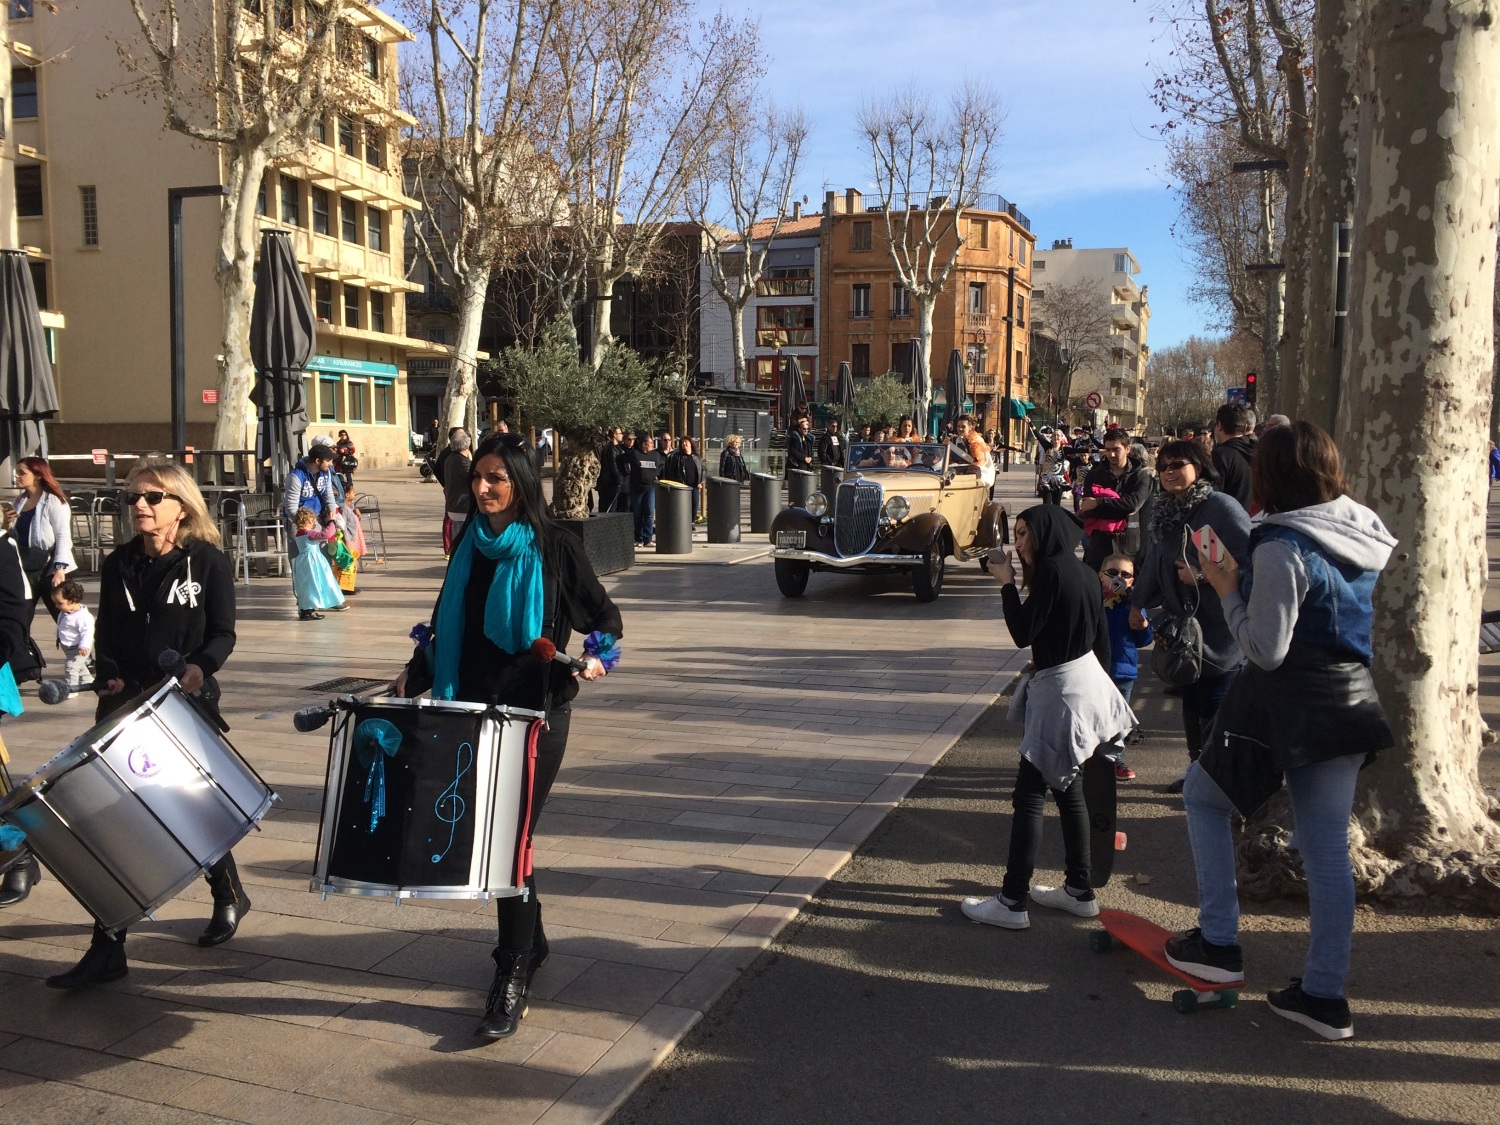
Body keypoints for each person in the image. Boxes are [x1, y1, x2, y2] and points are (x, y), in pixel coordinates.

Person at [1167, 421, 1395, 1041]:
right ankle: (1324, 995)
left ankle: (1218, 942)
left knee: (1201, 796)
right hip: (1350, 702)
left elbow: (1265, 649)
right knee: (1326, 853)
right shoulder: (1361, 529)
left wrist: (1226, 590)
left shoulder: (1281, 545)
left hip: (1285, 705)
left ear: (1270, 477)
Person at [395, 433, 623, 1040]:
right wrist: (413, 674)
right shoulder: (467, 543)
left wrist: (599, 656)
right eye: (477, 477)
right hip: (469, 711)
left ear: (521, 482)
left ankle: (511, 971)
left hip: (535, 716)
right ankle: (534, 937)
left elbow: (603, 617)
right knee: (495, 836)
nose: (484, 488)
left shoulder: (555, 547)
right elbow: (447, 623)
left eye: (496, 477)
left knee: (507, 840)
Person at [46, 458, 246, 989]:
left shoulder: (206, 562)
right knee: (111, 820)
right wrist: (107, 674)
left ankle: (227, 893)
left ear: (181, 506)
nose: (140, 505)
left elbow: (223, 633)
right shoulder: (117, 566)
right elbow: (107, 636)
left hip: (183, 700)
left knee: (190, 807)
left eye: (153, 497)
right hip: (125, 706)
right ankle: (108, 946)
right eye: (134, 497)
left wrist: (201, 668)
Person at [961, 505, 1132, 930]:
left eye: (1024, 534)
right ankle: (1079, 889)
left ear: (1045, 534)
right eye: (1016, 534)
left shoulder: (1054, 573)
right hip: (1085, 686)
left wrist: (1006, 585)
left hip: (1060, 693)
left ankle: (1012, 900)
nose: (1019, 543)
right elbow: (1101, 640)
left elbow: (1023, 633)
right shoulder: (1083, 571)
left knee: (1030, 795)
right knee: (1068, 790)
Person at [1130, 440, 1252, 793]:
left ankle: (1215, 778)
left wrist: (1202, 576)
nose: (1168, 473)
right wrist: (1138, 603)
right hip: (1184, 626)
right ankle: (1197, 770)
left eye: (1177, 464)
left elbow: (1248, 564)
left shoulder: (1220, 508)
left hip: (1222, 626)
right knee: (1192, 698)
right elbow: (1155, 559)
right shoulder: (1167, 508)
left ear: (1198, 466)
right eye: (1163, 466)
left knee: (1216, 703)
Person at [1099, 554, 1151, 780]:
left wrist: (1144, 625)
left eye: (1125, 575)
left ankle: (1115, 760)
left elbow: (1143, 641)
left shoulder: (1133, 605)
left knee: (1119, 720)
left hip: (1123, 672)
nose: (1118, 578)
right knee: (1094, 717)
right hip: (1096, 671)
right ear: (1101, 575)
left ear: (1132, 582)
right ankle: (1089, 760)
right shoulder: (1095, 601)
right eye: (1112, 573)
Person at [12, 456, 75, 623]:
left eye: (21, 472)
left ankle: (79, 649)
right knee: (19, 618)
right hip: (26, 567)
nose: (16, 476)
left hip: (49, 568)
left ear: (38, 475)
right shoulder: (18, 501)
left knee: (64, 617)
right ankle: (22, 648)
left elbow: (63, 536)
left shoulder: (54, 501)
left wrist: (60, 568)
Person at [1079, 430, 1152, 570]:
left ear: (1127, 449)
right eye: (1108, 450)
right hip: (1099, 545)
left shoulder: (1141, 476)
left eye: (1116, 450)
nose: (1111, 454)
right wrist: (1119, 506)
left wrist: (1099, 502)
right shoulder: (1094, 475)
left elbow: (1133, 504)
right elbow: (1088, 509)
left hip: (1129, 547)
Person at [282, 443, 343, 545]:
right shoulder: (295, 477)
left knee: (321, 556)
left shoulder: (325, 472)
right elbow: (291, 507)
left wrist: (333, 515)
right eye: (328, 460)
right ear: (317, 461)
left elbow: (328, 494)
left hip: (317, 519)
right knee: (301, 557)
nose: (331, 464)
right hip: (298, 523)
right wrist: (304, 526)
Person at [290, 507, 345, 620]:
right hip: (312, 561)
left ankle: (307, 609)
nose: (314, 523)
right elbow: (327, 534)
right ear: (308, 520)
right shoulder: (309, 533)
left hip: (303, 561)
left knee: (307, 585)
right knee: (314, 583)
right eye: (313, 520)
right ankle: (309, 611)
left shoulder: (299, 533)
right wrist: (331, 521)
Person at [1211, 403, 1257, 512]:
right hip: (1259, 519)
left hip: (1230, 520)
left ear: (1220, 425)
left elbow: (1214, 497)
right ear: (1245, 427)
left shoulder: (1220, 455)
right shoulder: (1260, 450)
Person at [54, 578, 94, 689]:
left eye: (60, 603)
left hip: (79, 647)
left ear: (72, 600)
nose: (56, 606)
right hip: (68, 646)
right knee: (78, 666)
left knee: (71, 667)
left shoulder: (83, 617)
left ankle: (71, 688)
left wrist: (84, 646)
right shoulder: (65, 612)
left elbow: (88, 633)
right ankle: (89, 681)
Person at [442, 432, 474, 556]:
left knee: (457, 536)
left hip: (453, 505)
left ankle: (457, 556)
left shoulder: (450, 458)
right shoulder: (462, 462)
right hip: (462, 506)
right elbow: (475, 474)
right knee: (462, 540)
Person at [630, 434, 664, 547]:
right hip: (637, 488)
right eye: (650, 443)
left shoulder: (655, 455)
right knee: (638, 514)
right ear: (644, 444)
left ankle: (648, 539)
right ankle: (637, 538)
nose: (652, 445)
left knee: (649, 513)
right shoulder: (635, 454)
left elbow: (661, 464)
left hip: (650, 488)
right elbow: (620, 459)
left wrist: (655, 474)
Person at [662, 436, 706, 522]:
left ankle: (691, 522)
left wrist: (701, 482)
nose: (684, 444)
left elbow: (703, 470)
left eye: (686, 442)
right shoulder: (677, 457)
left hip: (694, 486)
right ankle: (683, 523)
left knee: (694, 504)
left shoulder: (696, 457)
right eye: (682, 443)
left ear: (690, 443)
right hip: (681, 486)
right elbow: (671, 471)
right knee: (682, 506)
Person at [597, 427, 626, 514]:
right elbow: (613, 466)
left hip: (610, 482)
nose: (622, 435)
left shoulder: (616, 448)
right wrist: (620, 479)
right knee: (610, 508)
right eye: (620, 433)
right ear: (614, 435)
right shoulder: (611, 448)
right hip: (609, 483)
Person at [1037, 433, 1069, 506]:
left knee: (1056, 505)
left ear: (1061, 438)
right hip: (1047, 480)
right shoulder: (1048, 447)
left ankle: (1055, 517)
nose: (1056, 437)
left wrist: (1095, 451)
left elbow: (1078, 450)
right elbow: (1039, 437)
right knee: (1046, 504)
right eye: (1054, 435)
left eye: (1058, 435)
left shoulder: (1064, 449)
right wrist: (1030, 423)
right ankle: (1046, 517)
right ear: (1051, 437)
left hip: (1058, 481)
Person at [333, 430, 358, 495]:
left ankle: (350, 489)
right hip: (339, 461)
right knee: (339, 475)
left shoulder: (349, 443)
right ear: (340, 436)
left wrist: (345, 451)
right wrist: (336, 449)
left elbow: (353, 450)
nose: (343, 436)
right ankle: (342, 488)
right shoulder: (338, 443)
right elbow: (337, 450)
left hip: (347, 461)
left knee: (348, 475)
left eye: (345, 434)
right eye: (342, 435)